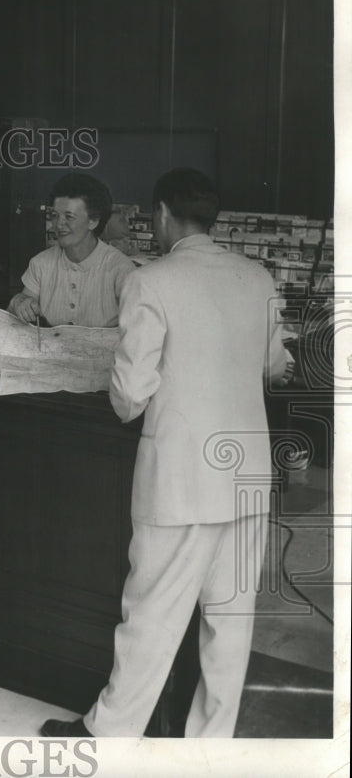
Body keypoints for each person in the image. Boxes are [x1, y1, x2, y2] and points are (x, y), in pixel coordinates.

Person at [40, 169, 291, 738]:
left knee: (150, 612)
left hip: (179, 476)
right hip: (247, 472)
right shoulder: (257, 277)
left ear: (160, 214)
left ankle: (109, 734)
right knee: (230, 620)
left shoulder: (151, 280)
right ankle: (210, 744)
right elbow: (273, 367)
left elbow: (130, 393)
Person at [7, 173, 135, 328]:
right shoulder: (40, 263)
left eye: (69, 217)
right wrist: (18, 302)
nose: (58, 224)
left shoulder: (121, 269)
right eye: (55, 215)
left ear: (93, 221)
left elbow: (138, 330)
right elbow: (15, 320)